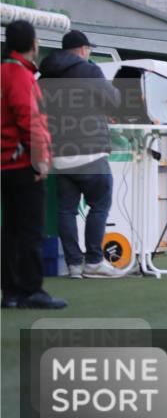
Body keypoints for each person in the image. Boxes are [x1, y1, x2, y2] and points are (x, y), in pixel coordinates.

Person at [40, 30, 126, 279]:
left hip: (59, 152)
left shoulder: (44, 75)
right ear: (81, 49)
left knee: (66, 210)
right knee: (99, 205)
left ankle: (74, 265)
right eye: (88, 49)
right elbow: (114, 100)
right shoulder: (89, 70)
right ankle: (94, 262)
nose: (88, 53)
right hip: (90, 151)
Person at [1, 20, 66, 309]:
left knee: (12, 230)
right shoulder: (20, 76)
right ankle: (30, 290)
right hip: (22, 163)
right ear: (33, 44)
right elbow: (30, 120)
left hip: (6, 162)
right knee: (29, 230)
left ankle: (12, 291)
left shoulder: (4, 72)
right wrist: (40, 159)